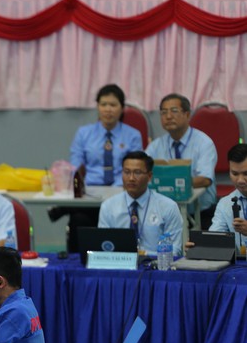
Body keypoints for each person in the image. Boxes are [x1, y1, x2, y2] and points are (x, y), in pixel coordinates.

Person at [55, 84, 142, 253]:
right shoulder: (84, 133)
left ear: (122, 108)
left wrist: (117, 189)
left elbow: (134, 167)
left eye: (113, 105)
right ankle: (77, 265)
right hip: (91, 196)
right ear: (97, 106)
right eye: (103, 104)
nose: (108, 109)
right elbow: (76, 164)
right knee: (78, 220)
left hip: (120, 194)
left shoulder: (133, 135)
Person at [145, 94, 216, 229]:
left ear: (187, 114)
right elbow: (142, 170)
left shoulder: (204, 143)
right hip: (163, 214)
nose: (168, 116)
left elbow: (205, 180)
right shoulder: (156, 145)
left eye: (174, 111)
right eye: (164, 112)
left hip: (200, 213)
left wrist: (168, 184)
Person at [98, 151, 183, 256]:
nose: (131, 178)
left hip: (155, 267)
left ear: (149, 176)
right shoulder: (108, 206)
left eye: (137, 172)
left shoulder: (168, 207)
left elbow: (174, 251)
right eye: (127, 172)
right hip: (119, 266)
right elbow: (102, 248)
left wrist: (144, 254)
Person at [208, 143, 247, 255]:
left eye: (246, 174)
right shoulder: (225, 203)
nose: (240, 180)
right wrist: (198, 245)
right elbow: (215, 239)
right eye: (234, 173)